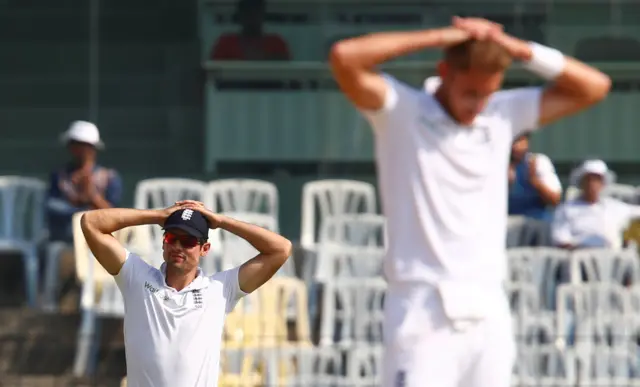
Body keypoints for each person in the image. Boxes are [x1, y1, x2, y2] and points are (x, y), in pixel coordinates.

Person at [330, 16, 610, 387]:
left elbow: (594, 86)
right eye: (470, 93)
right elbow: (344, 57)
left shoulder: (503, 113)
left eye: (488, 93)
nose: (478, 104)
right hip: (421, 308)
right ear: (444, 71)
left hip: (488, 306)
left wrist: (514, 47)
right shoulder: (402, 110)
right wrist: (442, 37)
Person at [80, 201, 292, 387]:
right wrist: (157, 216)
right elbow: (91, 222)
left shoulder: (220, 289)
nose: (178, 247)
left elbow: (281, 249)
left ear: (205, 248)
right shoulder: (136, 277)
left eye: (189, 242)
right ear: (164, 242)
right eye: (172, 238)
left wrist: (221, 221)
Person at [46, 120, 122, 243]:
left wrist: (92, 196)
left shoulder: (110, 177)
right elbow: (51, 207)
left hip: (99, 240)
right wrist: (79, 206)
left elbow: (114, 214)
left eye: (84, 146)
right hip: (66, 239)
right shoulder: (59, 175)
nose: (79, 150)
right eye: (74, 145)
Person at [552, 159, 640, 250]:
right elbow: (561, 240)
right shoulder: (566, 209)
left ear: (603, 183)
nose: (592, 184)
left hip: (613, 259)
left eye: (597, 180)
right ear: (581, 182)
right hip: (578, 259)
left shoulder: (615, 207)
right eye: (588, 179)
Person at [210, 0, 290, 61]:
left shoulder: (276, 42)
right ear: (240, 14)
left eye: (256, 10)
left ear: (263, 13)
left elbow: (288, 65)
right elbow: (213, 69)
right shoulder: (225, 43)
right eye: (248, 11)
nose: (252, 15)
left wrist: (263, 58)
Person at [508, 133, 562, 221]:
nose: (516, 146)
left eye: (520, 141)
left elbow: (555, 200)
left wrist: (534, 180)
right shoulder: (496, 165)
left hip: (536, 222)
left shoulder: (539, 162)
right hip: (508, 222)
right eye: (513, 142)